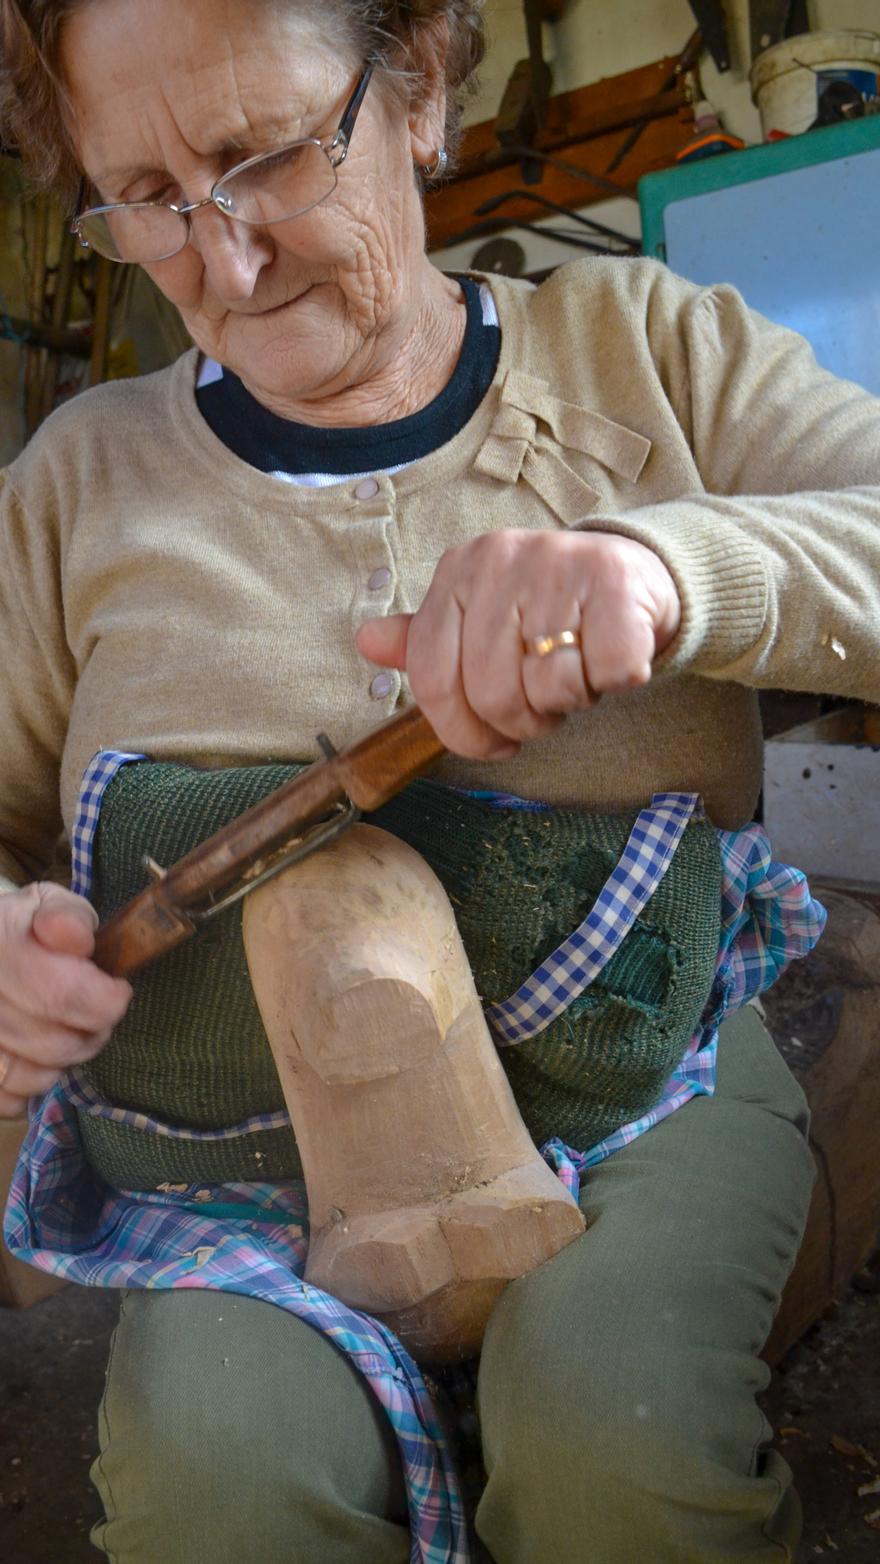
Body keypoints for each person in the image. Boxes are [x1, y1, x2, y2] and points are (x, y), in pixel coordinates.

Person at [0, 0, 878, 1559]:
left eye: (261, 155)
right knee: (219, 1481)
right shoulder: (74, 482)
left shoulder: (655, 347)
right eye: (145, 195)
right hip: (236, 1177)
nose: (227, 259)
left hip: (638, 1101)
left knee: (618, 1443)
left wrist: (669, 566)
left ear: (415, 86)